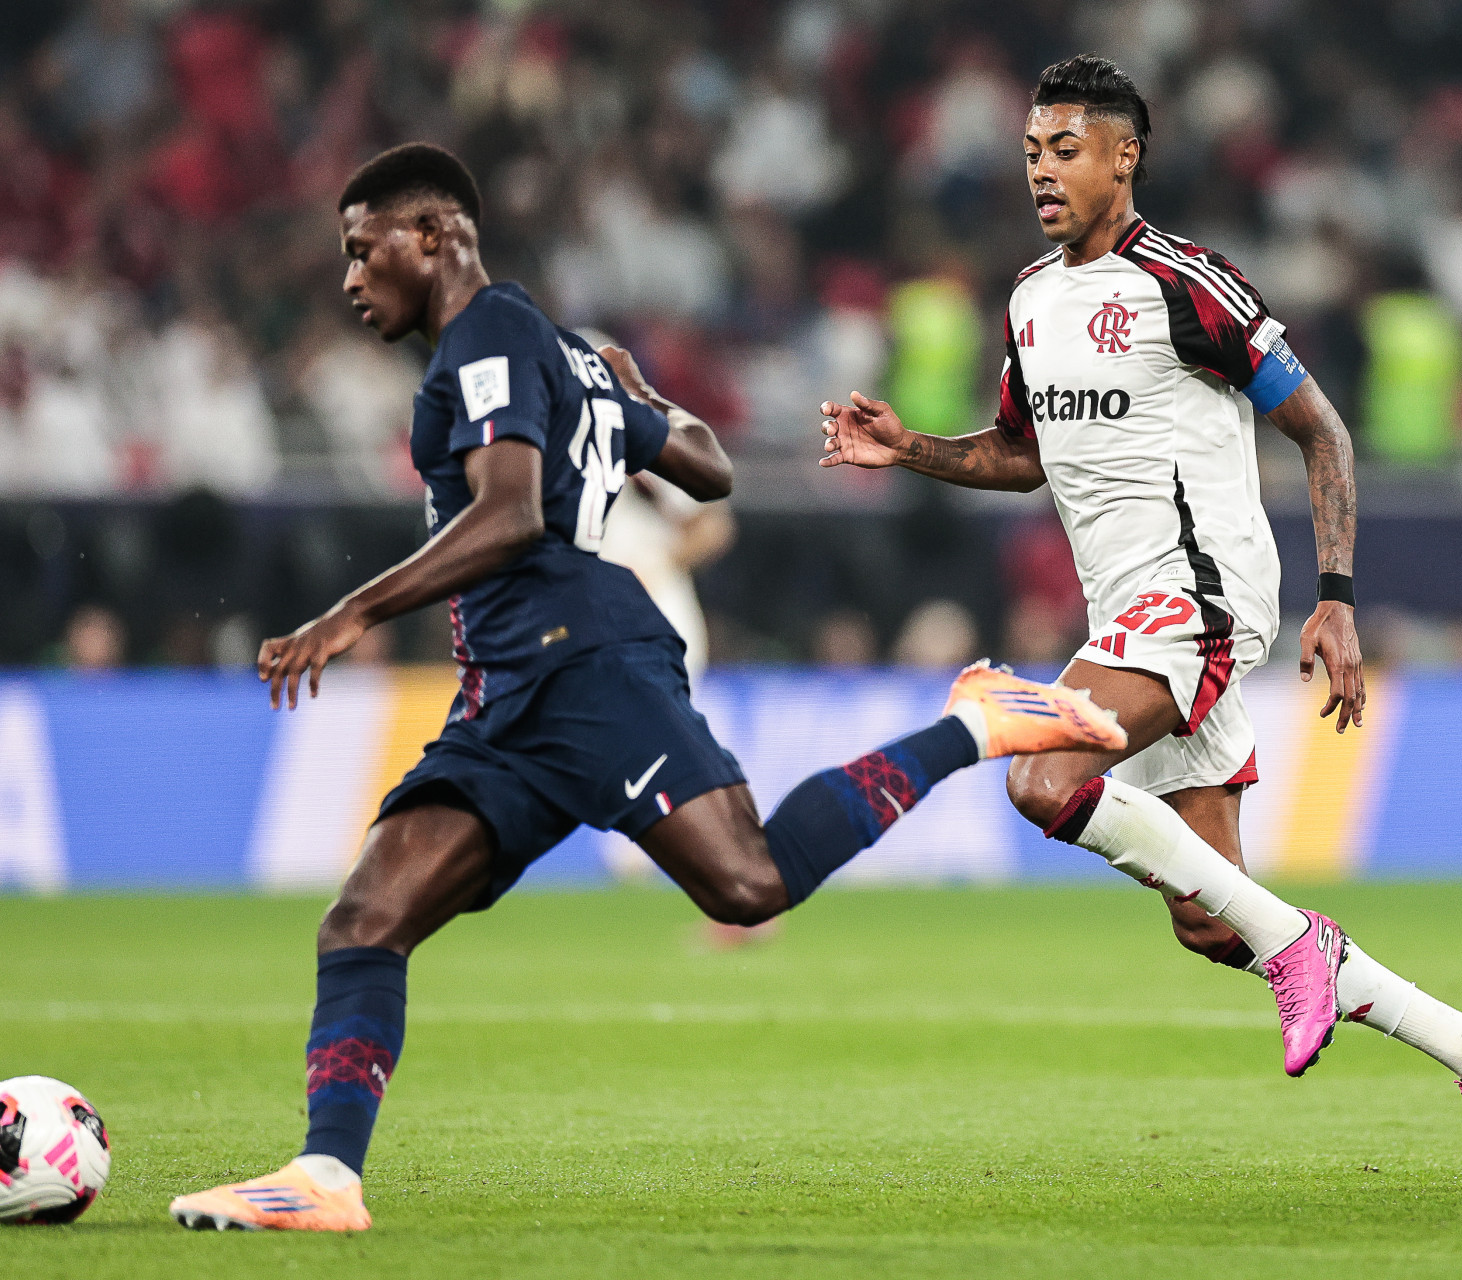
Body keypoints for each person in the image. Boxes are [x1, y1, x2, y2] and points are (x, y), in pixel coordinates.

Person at [168, 143, 1126, 1233]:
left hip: (582, 660)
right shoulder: (560, 351)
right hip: (507, 694)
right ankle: (326, 1176)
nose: (348, 278)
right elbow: (708, 466)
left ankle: (976, 720)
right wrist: (628, 392)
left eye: (360, 248)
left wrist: (352, 610)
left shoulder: (484, 337)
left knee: (748, 884)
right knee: (365, 916)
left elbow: (511, 510)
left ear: (431, 236)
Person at [820, 56, 1462, 1182]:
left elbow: (1324, 432)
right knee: (1220, 918)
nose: (1043, 173)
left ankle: (1306, 946)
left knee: (1041, 775)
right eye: (1030, 153)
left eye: (1066, 150)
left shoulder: (1190, 284)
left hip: (1201, 594)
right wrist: (910, 445)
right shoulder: (1028, 299)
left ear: (1126, 156)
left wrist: (1339, 601)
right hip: (1131, 615)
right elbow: (1023, 455)